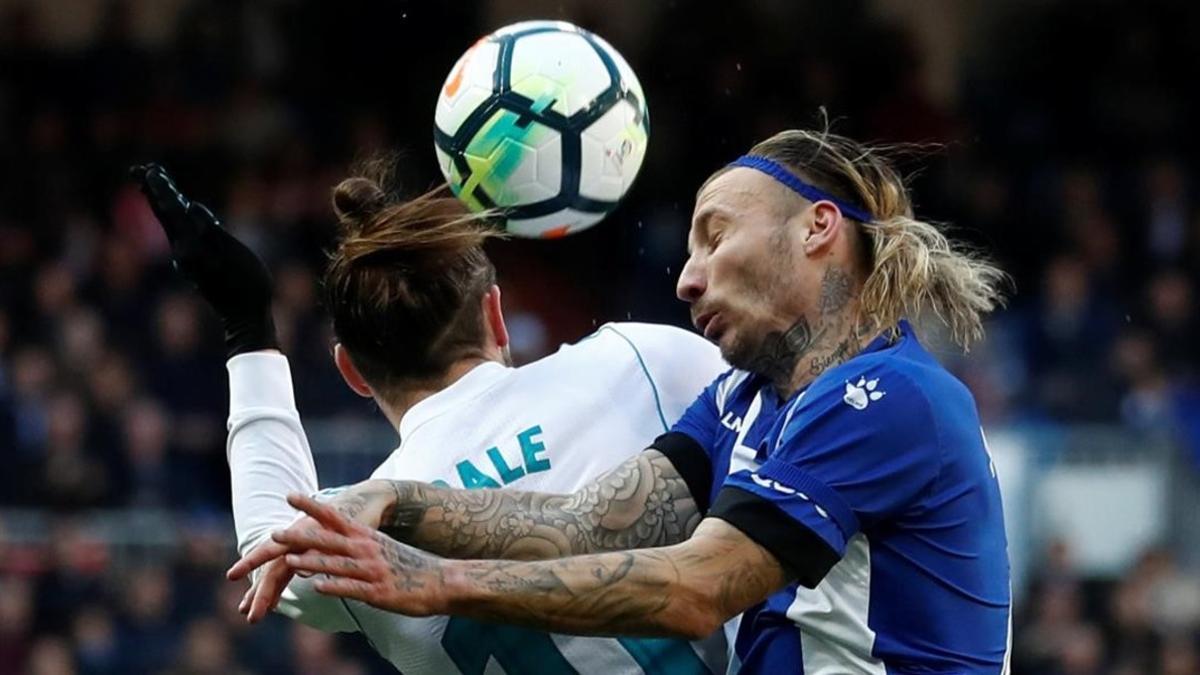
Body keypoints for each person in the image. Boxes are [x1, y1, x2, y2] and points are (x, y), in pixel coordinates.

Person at [231, 129, 1014, 674]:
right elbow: (578, 522)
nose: (687, 277)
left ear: (817, 228)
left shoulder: (889, 397)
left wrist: (437, 582)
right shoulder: (739, 401)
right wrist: (392, 496)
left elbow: (694, 588)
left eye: (715, 235)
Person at [129, 161, 729, 674]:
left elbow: (265, 541)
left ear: (352, 373)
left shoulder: (359, 529)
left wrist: (248, 327)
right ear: (495, 315)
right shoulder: (643, 361)